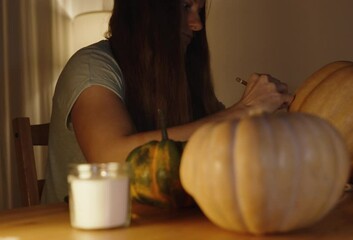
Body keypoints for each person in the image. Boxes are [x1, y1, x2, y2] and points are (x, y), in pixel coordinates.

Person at [41, 0, 294, 204]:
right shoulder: (91, 67)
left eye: (199, 11)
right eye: (185, 7)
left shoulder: (177, 75)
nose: (197, 25)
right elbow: (113, 160)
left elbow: (216, 141)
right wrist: (245, 110)